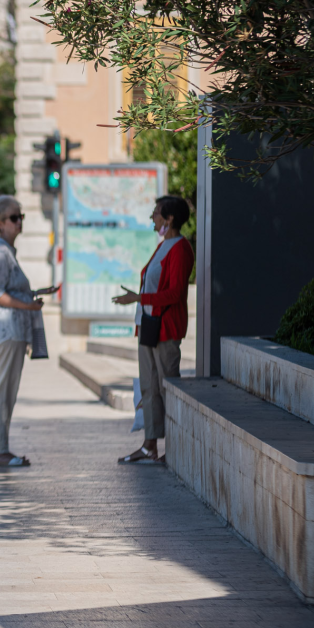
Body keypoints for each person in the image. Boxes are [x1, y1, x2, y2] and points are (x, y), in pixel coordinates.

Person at [112, 195, 194, 464]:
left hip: (166, 328)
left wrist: (138, 299)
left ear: (169, 219)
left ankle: (177, 445)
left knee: (167, 387)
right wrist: (139, 300)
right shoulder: (164, 245)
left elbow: (174, 294)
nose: (152, 217)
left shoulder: (180, 249)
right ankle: (149, 444)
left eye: (156, 213)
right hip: (148, 325)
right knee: (149, 386)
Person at [0, 196, 43, 467]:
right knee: (0, 391)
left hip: (9, 329)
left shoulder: (6, 251)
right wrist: (27, 304)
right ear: (0, 223)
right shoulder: (0, 251)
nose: (19, 222)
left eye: (21, 216)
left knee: (6, 391)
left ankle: (0, 447)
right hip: (4, 329)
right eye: (14, 218)